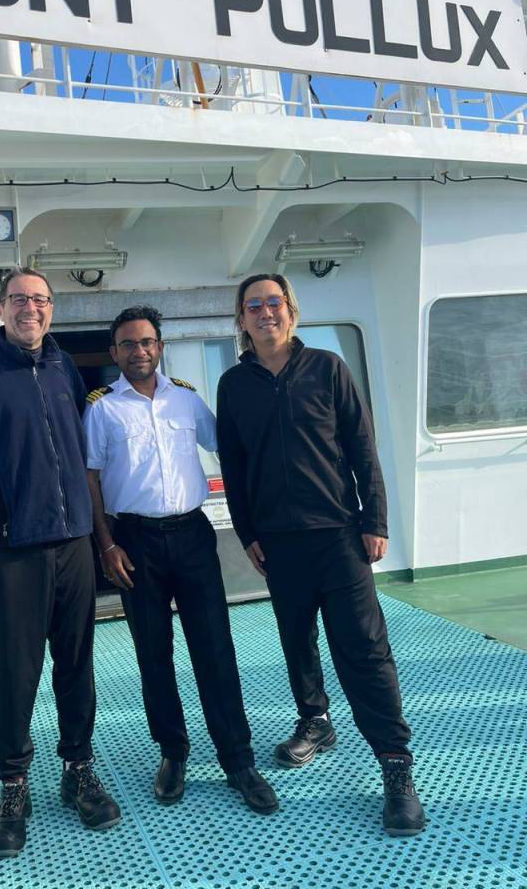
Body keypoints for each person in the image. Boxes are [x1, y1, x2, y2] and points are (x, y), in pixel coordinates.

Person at [216, 273, 425, 838]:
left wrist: (374, 520)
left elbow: (362, 445)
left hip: (338, 533)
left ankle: (395, 764)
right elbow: (234, 467)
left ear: (291, 311)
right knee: (297, 639)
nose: (265, 313)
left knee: (363, 647)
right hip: (278, 542)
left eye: (274, 303)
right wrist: (248, 531)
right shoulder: (234, 386)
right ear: (241, 320)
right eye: (253, 306)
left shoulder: (328, 368)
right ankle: (315, 720)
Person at [0, 266, 121, 859]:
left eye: (40, 300)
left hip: (73, 544)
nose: (30, 309)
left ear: (51, 309)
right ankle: (14, 786)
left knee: (76, 665)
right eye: (19, 300)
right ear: (2, 308)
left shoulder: (64, 367)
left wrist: (99, 534)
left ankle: (77, 771)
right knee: (14, 674)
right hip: (14, 549)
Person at [84, 305, 278, 814]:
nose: (139, 351)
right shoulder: (102, 409)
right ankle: (173, 752)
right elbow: (91, 480)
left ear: (159, 347)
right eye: (128, 344)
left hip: (193, 536)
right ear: (115, 353)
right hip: (134, 540)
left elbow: (230, 447)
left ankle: (238, 760)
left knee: (215, 650)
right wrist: (106, 545)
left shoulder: (188, 401)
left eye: (147, 342)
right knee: (153, 655)